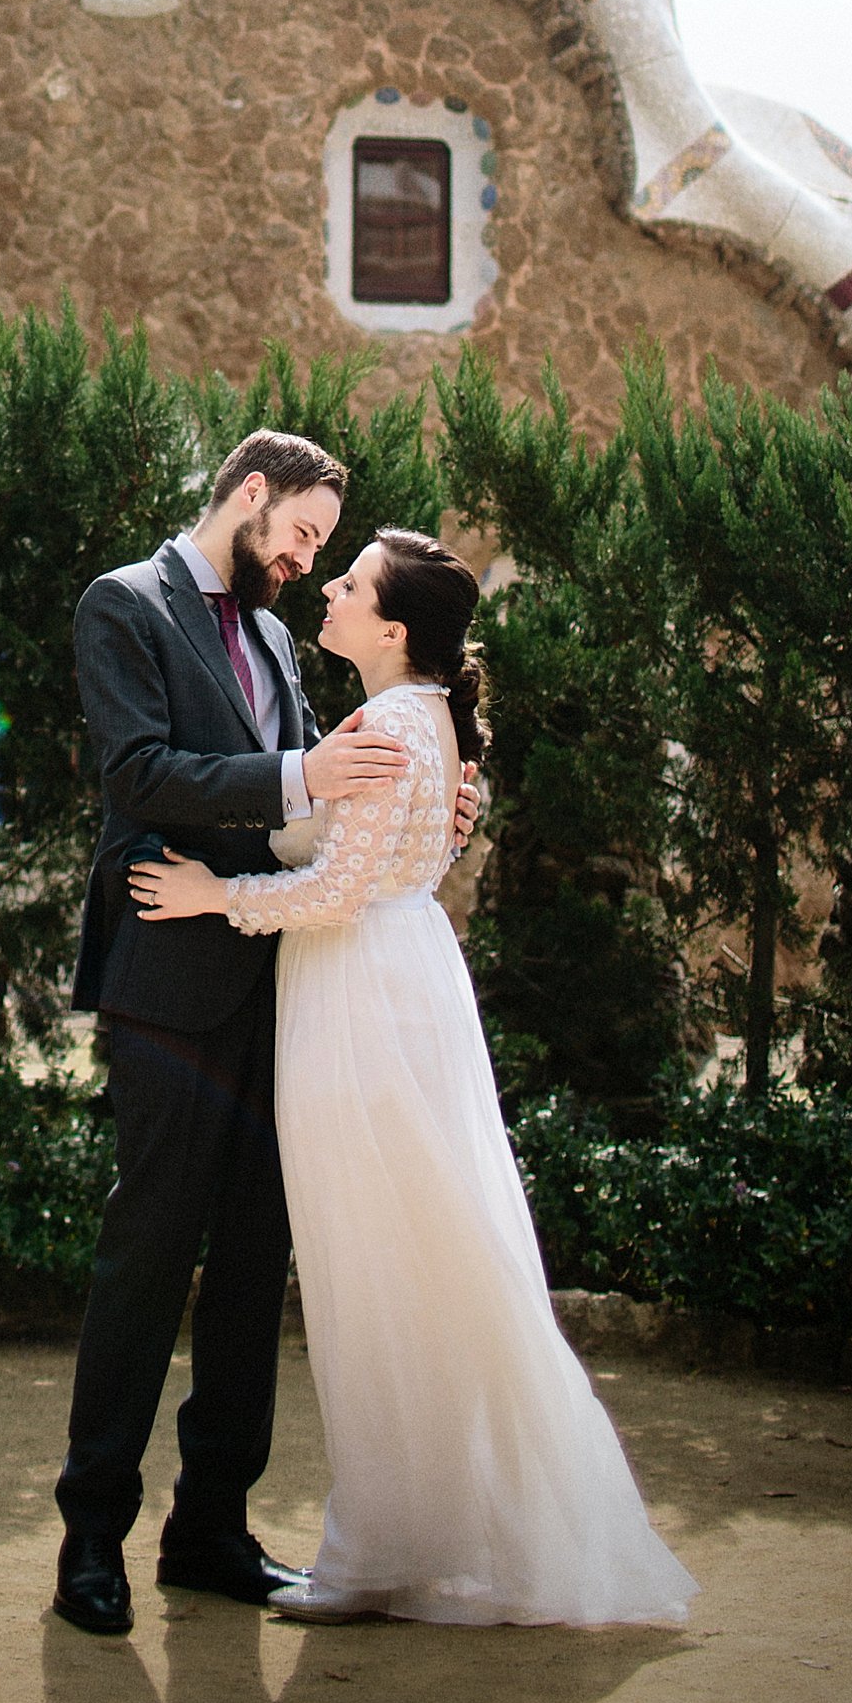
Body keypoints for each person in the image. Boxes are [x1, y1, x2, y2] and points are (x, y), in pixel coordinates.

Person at [131, 527, 697, 1630]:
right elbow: (344, 850)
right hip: (391, 984)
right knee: (409, 1262)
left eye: (347, 584)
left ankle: (381, 1551)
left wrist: (210, 894)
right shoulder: (415, 716)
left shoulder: (392, 720)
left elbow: (336, 887)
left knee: (376, 1271)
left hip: (358, 999)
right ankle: (414, 1534)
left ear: (391, 629)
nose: (327, 590)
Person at [52, 433, 482, 1638]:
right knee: (147, 1255)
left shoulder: (281, 638)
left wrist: (429, 801)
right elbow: (139, 771)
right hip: (167, 979)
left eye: (319, 552)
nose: (302, 562)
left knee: (250, 1268)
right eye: (296, 535)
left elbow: (325, 808)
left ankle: (210, 1529)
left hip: (289, 989)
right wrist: (304, 767)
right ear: (249, 494)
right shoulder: (122, 606)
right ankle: (91, 1537)